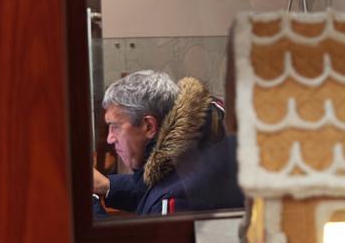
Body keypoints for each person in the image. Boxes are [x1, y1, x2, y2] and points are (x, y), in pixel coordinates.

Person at [92, 70, 243, 216]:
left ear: (149, 126)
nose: (110, 138)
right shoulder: (194, 149)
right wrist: (106, 185)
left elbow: (160, 201)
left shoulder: (174, 199)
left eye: (115, 126)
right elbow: (154, 190)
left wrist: (89, 207)